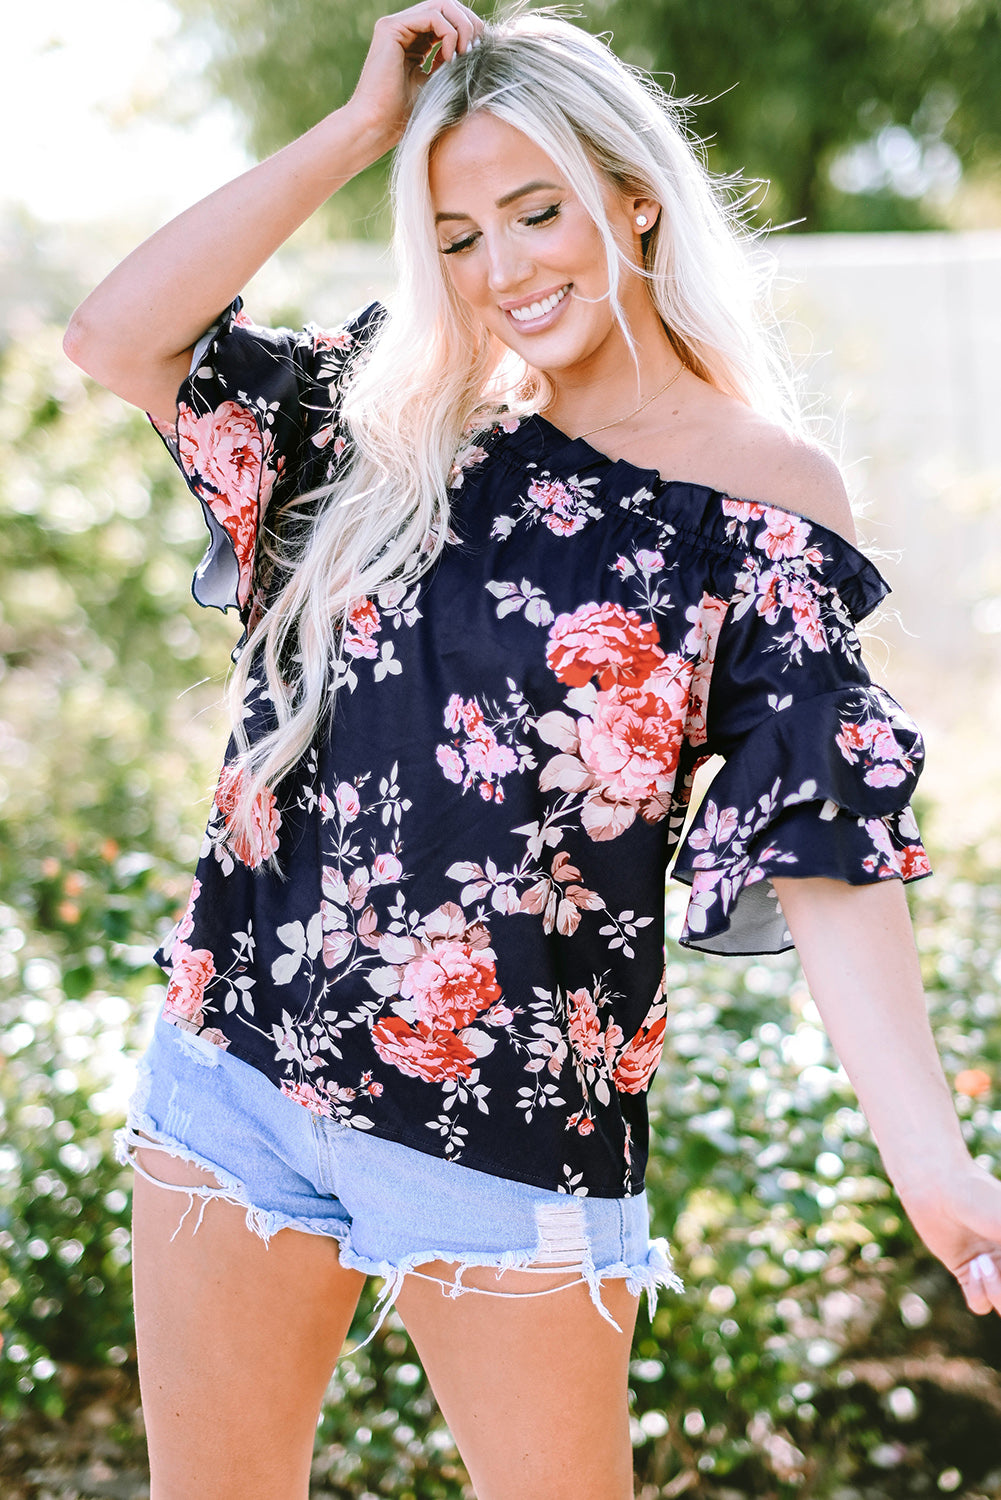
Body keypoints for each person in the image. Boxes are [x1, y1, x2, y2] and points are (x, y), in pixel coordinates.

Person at [64, 4, 1001, 1497]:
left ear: (632, 197)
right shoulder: (387, 419)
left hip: (504, 1129)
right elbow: (116, 337)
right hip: (235, 1071)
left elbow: (825, 843)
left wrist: (931, 1169)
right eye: (454, 234)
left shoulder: (758, 497)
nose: (501, 267)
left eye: (535, 210)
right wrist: (361, 130)